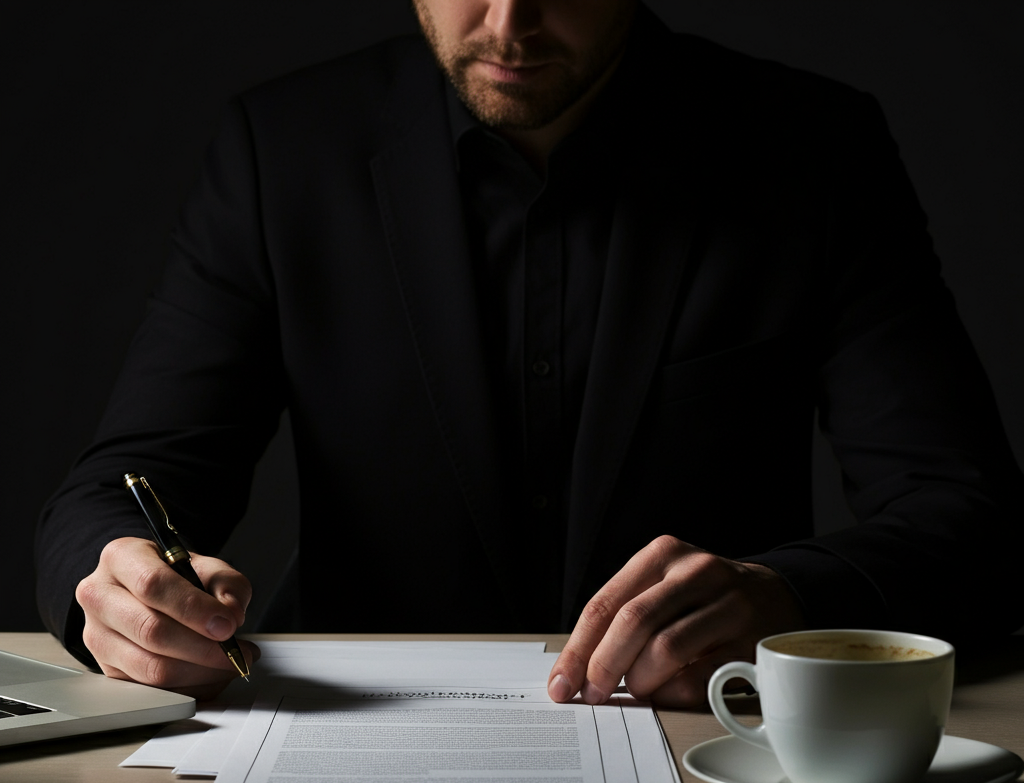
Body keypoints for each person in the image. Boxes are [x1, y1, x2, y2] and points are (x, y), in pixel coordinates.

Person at [36, 0, 1024, 706]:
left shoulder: (814, 150)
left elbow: (976, 523)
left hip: (710, 745)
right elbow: (125, 481)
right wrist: (114, 582)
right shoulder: (281, 148)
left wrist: (789, 594)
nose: (510, 25)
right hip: (350, 760)